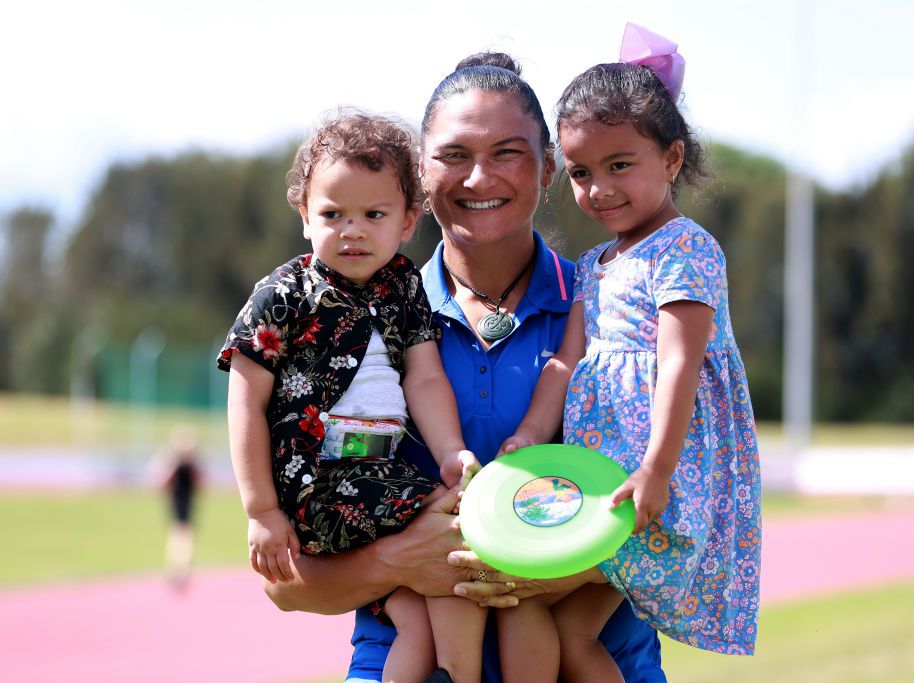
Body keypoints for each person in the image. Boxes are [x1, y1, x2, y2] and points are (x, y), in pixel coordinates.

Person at [263, 53, 668, 683]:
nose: (480, 178)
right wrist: (400, 561)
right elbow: (285, 583)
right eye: (454, 155)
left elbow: (693, 502)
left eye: (508, 152)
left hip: (598, 663)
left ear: (550, 168)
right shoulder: (339, 314)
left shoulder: (624, 304)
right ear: (420, 175)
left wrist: (567, 563)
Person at [498, 25, 763, 680]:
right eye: (583, 173)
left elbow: (679, 361)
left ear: (672, 159)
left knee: (525, 588)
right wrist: (530, 434)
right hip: (604, 479)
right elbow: (566, 358)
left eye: (620, 166)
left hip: (656, 482)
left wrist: (656, 469)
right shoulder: (595, 262)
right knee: (569, 632)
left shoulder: (685, 248)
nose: (599, 189)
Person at [218, 110, 484, 683]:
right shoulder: (284, 294)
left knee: (419, 608)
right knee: (459, 542)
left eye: (374, 214)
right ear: (304, 216)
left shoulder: (404, 288)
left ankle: (446, 670)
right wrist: (262, 510)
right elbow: (245, 400)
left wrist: (450, 453)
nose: (352, 230)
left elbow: (425, 377)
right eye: (332, 214)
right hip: (319, 485)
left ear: (410, 219)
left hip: (377, 483)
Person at [152, 424, 202, 589]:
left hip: (185, 506)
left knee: (181, 538)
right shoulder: (178, 467)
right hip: (179, 506)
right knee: (181, 538)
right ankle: (179, 570)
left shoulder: (188, 467)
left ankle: (179, 570)